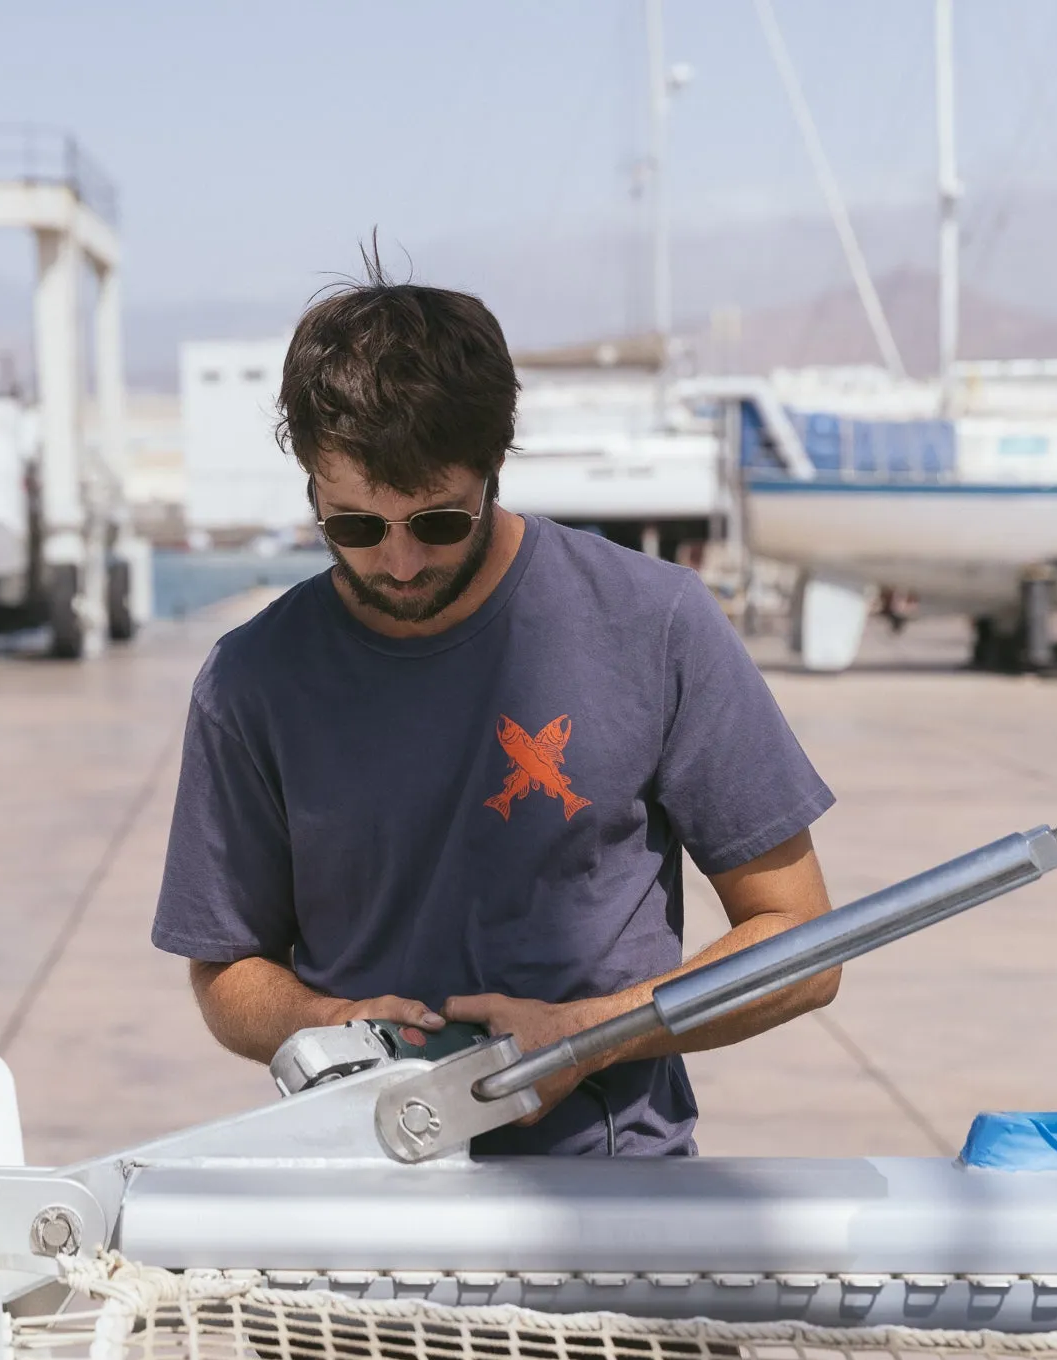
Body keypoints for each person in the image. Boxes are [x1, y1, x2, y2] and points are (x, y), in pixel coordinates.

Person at [150, 258, 839, 1157]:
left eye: (438, 522)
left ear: (496, 467)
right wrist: (330, 1024)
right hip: (353, 1186)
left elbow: (800, 939)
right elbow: (226, 967)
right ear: (311, 485)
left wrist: (593, 1036)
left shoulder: (653, 623)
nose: (398, 563)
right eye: (355, 527)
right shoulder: (250, 679)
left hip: (610, 1194)